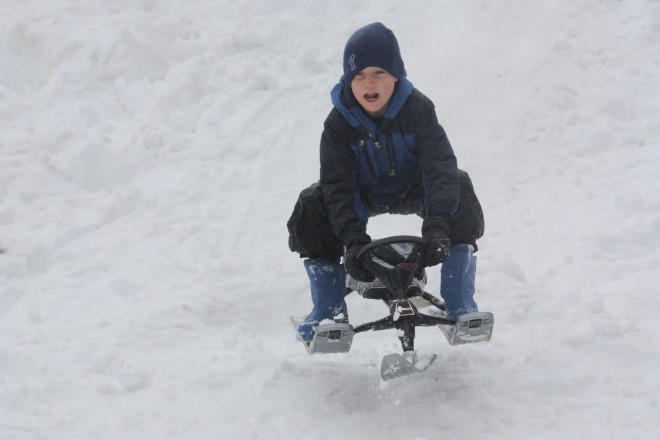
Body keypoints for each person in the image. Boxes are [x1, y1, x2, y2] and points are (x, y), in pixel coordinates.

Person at [287, 22, 485, 342]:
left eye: (379, 72)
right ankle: (329, 310)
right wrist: (352, 239)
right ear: (348, 79)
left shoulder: (419, 110)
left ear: (396, 75)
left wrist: (437, 224)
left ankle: (459, 304)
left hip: (411, 187)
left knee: (459, 185)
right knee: (313, 204)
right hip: (364, 193)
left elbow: (439, 168)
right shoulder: (338, 124)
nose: (369, 82)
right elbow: (338, 186)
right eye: (359, 75)